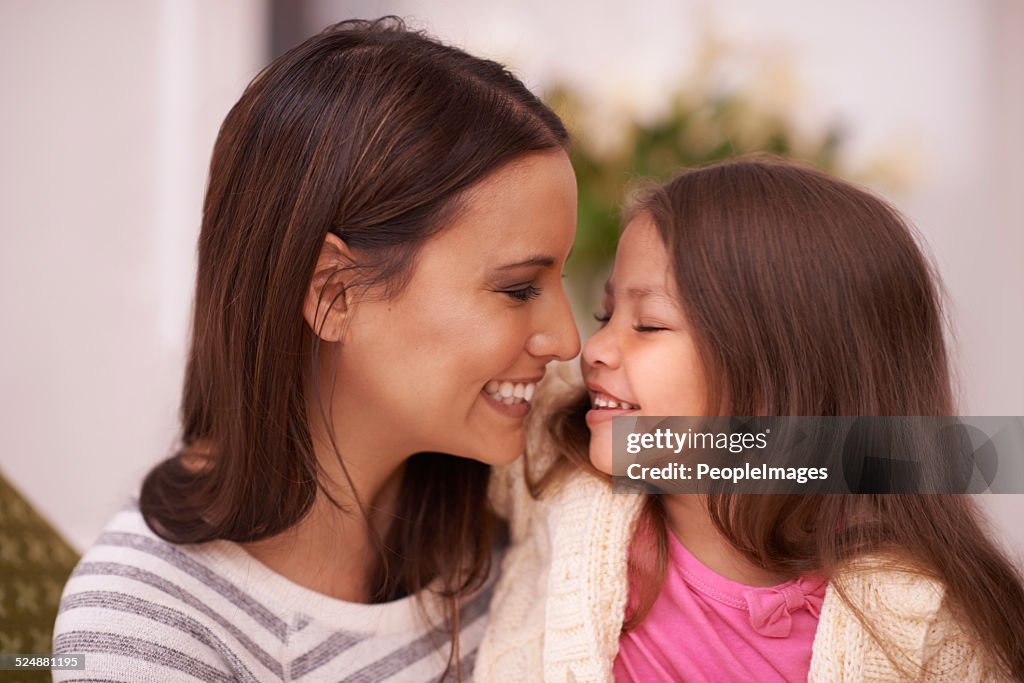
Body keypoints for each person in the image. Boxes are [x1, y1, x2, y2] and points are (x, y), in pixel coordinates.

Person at [53, 17, 580, 682]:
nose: (567, 340)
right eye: (517, 288)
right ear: (334, 292)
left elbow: (752, 464)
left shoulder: (528, 474)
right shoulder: (143, 628)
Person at [477, 158, 1024, 681]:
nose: (593, 347)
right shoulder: (555, 471)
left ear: (784, 377)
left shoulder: (934, 629)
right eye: (606, 314)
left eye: (648, 325)